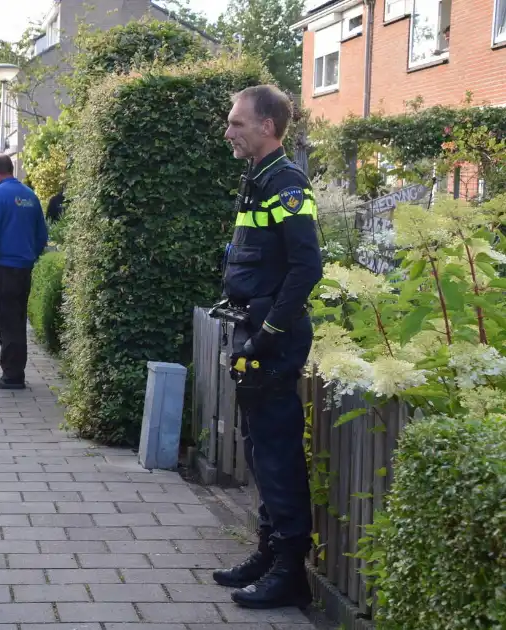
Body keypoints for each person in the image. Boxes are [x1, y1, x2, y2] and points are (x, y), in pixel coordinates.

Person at [212, 84, 323, 610]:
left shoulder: (287, 183)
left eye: (237, 123)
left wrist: (267, 335)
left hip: (271, 340)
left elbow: (307, 268)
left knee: (277, 456)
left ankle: (289, 574)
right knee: (259, 449)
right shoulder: (257, 180)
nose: (228, 130)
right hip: (253, 332)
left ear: (267, 127)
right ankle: (266, 554)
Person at [0, 154, 48, 390]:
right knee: (18, 319)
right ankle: (16, 371)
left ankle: (12, 376)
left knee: (4, 319)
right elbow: (42, 234)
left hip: (2, 267)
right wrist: (31, 255)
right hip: (24, 267)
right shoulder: (30, 195)